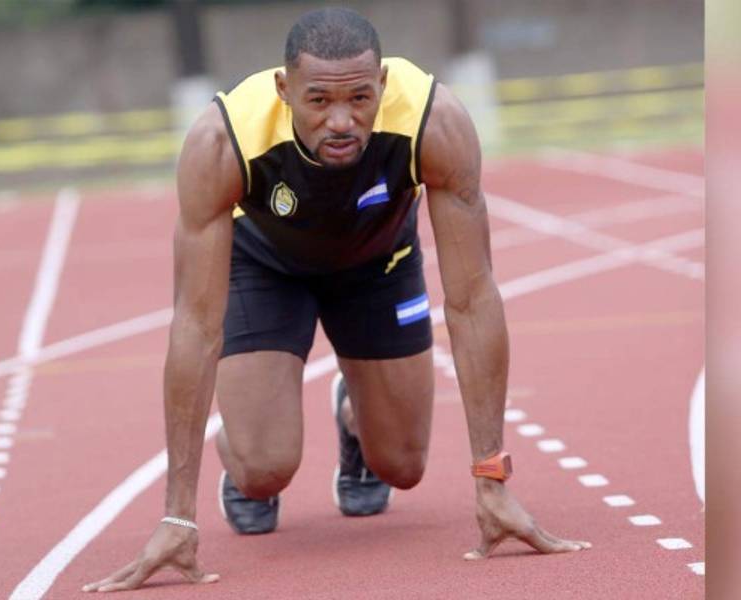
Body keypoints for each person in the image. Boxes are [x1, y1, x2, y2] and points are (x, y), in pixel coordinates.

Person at [83, 7, 590, 593]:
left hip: (378, 264)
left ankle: (356, 415)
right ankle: (243, 443)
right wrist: (177, 515)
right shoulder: (225, 140)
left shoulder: (434, 121)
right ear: (284, 89)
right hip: (265, 267)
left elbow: (473, 300)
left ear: (383, 87)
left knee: (402, 467)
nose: (342, 121)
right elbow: (196, 325)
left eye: (360, 99)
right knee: (263, 472)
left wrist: (492, 479)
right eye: (319, 100)